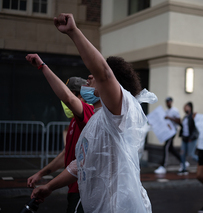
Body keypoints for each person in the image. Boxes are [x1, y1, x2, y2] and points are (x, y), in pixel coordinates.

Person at [29, 13, 156, 213]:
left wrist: (73, 32)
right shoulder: (97, 121)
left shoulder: (120, 113)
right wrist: (49, 187)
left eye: (94, 75)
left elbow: (103, 73)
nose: (90, 76)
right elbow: (79, 165)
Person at [26, 74, 94, 212]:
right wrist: (41, 173)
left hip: (83, 190)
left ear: (73, 94)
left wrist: (41, 67)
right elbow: (67, 155)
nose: (63, 101)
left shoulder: (89, 115)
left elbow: (68, 99)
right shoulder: (74, 121)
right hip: (73, 188)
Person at [154, 97, 183, 174]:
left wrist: (170, 118)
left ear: (171, 102)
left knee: (166, 147)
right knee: (170, 148)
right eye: (166, 102)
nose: (168, 103)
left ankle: (163, 166)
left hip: (172, 131)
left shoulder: (175, 111)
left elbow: (179, 121)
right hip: (167, 132)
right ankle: (183, 161)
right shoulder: (166, 111)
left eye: (169, 102)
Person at [178, 102, 199, 175]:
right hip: (184, 138)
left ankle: (202, 163)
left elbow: (195, 129)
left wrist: (192, 137)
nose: (184, 108)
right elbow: (184, 127)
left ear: (190, 107)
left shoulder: (193, 117)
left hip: (191, 139)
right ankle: (184, 168)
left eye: (186, 107)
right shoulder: (185, 117)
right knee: (182, 154)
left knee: (191, 155)